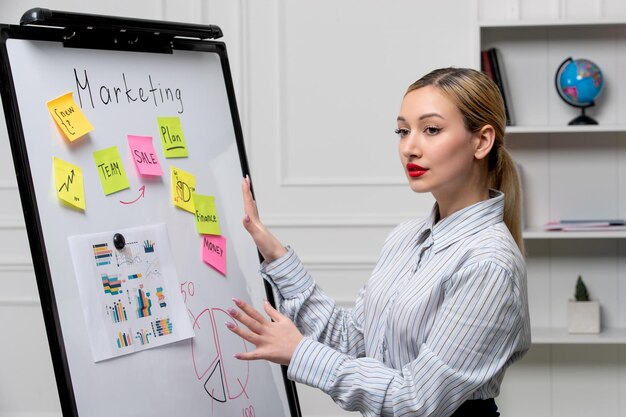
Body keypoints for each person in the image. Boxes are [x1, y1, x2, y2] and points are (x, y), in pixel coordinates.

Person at [225, 67, 531, 417]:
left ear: (482, 141)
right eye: (403, 131)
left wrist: (299, 353)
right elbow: (355, 342)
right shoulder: (405, 239)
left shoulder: (490, 263)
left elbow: (416, 400)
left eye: (431, 129)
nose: (409, 148)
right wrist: (275, 253)